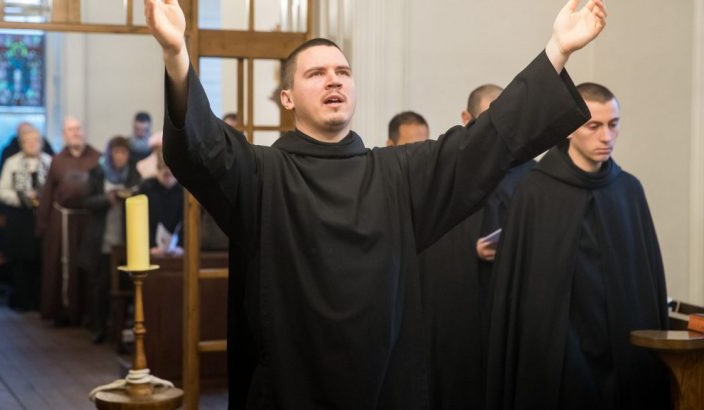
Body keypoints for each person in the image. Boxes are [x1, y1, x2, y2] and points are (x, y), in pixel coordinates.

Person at [145, 0, 606, 407]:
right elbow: (202, 148)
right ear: (287, 98)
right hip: (288, 388)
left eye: (343, 72)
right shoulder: (262, 174)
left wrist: (557, 51)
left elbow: (486, 141)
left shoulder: (398, 173)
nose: (334, 80)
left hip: (385, 387)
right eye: (316, 73)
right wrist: (176, 53)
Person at [486, 83, 670, 410]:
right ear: (570, 129)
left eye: (613, 125)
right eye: (594, 126)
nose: (606, 137)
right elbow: (519, 291)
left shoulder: (628, 191)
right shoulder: (535, 192)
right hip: (558, 357)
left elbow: (647, 280)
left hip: (622, 353)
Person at [414, 83, 536, 410]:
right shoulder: (448, 168)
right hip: (460, 310)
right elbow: (427, 237)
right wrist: (468, 251)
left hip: (513, 307)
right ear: (468, 118)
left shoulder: (532, 173)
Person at [36, 116, 101, 325]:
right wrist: (43, 224)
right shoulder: (57, 160)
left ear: (84, 131)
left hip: (89, 219)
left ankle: (88, 313)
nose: (75, 133)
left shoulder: (97, 158)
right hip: (63, 220)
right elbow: (48, 193)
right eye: (70, 130)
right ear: (64, 134)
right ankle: (64, 311)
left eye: (78, 128)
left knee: (87, 265)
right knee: (63, 266)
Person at [79, 136, 141, 343]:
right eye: (116, 152)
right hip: (103, 236)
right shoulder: (98, 173)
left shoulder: (134, 174)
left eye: (123, 152)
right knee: (102, 284)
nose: (120, 157)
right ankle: (100, 327)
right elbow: (86, 201)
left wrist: (129, 196)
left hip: (127, 238)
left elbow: (140, 196)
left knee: (126, 286)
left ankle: (123, 329)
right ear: (110, 154)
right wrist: (106, 198)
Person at [0, 127, 52, 311]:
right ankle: (22, 300)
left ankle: (40, 300)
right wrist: (22, 198)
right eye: (28, 141)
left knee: (40, 258)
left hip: (43, 217)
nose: (32, 144)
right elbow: (2, 191)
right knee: (21, 260)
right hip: (20, 218)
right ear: (22, 144)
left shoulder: (49, 162)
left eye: (36, 141)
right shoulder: (12, 162)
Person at [137, 151, 184, 257]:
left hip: (177, 249)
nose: (169, 179)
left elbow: (185, 222)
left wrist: (181, 246)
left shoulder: (183, 190)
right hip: (150, 247)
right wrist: (151, 246)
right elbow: (141, 220)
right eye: (166, 175)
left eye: (172, 175)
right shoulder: (146, 188)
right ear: (158, 170)